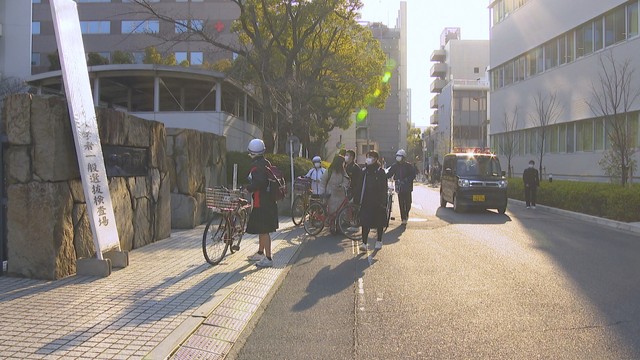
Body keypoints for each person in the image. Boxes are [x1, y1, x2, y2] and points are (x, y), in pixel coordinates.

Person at [245, 138, 279, 268]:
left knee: (264, 230)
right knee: (262, 229)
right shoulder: (265, 162)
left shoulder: (257, 166)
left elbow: (260, 183)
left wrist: (248, 188)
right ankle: (260, 253)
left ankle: (268, 258)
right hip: (268, 201)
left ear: (253, 153)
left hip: (262, 202)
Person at [358, 150, 388, 251]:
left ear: (375, 159)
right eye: (367, 156)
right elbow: (360, 186)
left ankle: (379, 240)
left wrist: (384, 202)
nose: (368, 159)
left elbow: (384, 187)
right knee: (365, 222)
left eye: (370, 157)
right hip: (366, 200)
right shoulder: (364, 171)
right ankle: (364, 243)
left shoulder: (380, 171)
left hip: (378, 201)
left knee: (379, 222)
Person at [386, 149, 416, 225]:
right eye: (397, 156)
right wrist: (383, 176)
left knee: (408, 203)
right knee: (401, 203)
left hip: (407, 187)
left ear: (404, 157)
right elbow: (389, 174)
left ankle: (406, 214)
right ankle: (403, 218)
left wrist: (406, 179)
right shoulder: (395, 166)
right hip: (399, 187)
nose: (398, 158)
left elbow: (413, 175)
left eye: (400, 156)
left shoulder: (408, 166)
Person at [321, 155, 350, 232]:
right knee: (332, 210)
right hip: (330, 193)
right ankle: (332, 225)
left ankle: (338, 226)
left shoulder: (343, 171)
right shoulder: (329, 171)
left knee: (340, 210)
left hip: (340, 194)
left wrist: (342, 186)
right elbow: (323, 182)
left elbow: (346, 180)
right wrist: (322, 193)